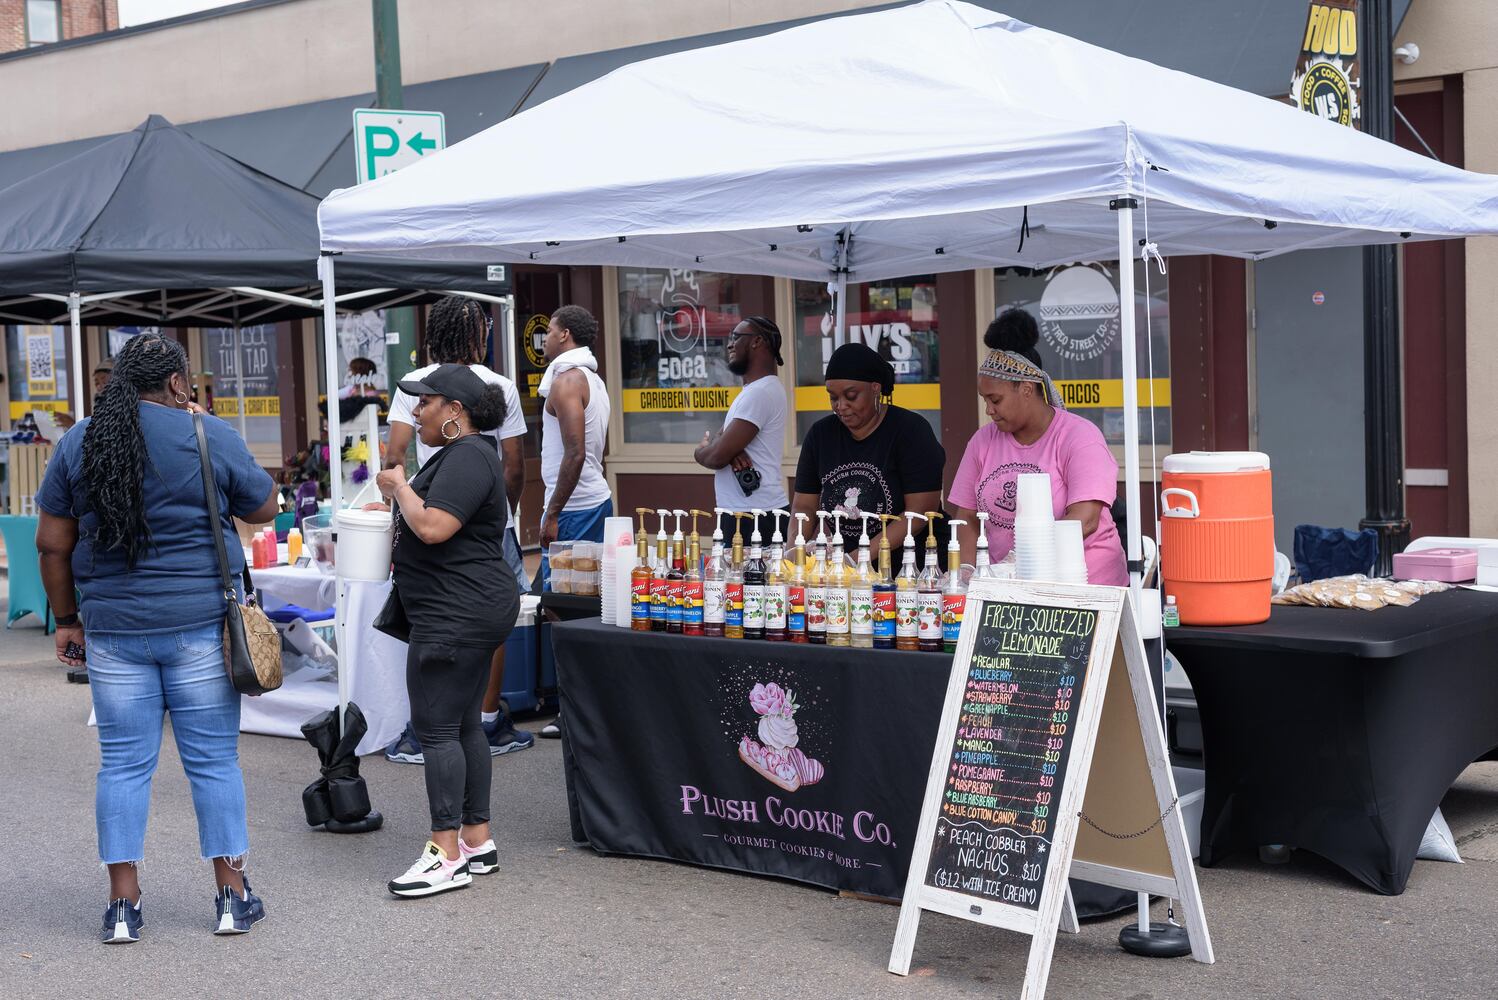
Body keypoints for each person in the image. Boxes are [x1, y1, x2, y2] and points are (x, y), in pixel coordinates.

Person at [33, 332, 279, 943]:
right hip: (199, 626)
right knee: (214, 763)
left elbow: (52, 543)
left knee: (121, 766)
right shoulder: (205, 433)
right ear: (176, 382)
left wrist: (66, 620)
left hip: (114, 631)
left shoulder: (79, 441)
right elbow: (265, 508)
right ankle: (231, 896)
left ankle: (123, 907)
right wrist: (208, 425)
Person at [375, 364, 519, 897]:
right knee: (461, 725)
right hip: (466, 606)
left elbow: (434, 527)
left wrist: (398, 486)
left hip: (455, 611)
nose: (415, 412)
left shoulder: (468, 456)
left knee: (436, 728)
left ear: (455, 411)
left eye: (425, 402)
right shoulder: (468, 456)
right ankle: (477, 841)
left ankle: (444, 854)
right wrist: (401, 493)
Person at [383, 298, 533, 764]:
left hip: (431, 508)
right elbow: (513, 465)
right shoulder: (499, 384)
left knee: (430, 613)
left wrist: (399, 493)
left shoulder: (420, 386)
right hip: (488, 518)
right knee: (495, 622)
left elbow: (395, 453)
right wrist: (502, 514)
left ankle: (428, 725)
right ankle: (488, 716)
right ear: (478, 336)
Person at [949, 309, 1127, 586]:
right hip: (1007, 589)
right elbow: (968, 518)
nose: (989, 410)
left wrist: (1023, 560)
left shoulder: (1079, 437)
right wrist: (968, 573)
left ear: (1027, 390)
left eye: (995, 400)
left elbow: (1085, 519)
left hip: (1084, 585)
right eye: (984, 399)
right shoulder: (983, 441)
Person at [537, 304, 611, 739]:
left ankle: (577, 711)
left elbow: (578, 452)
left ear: (564, 336)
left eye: (548, 330)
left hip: (577, 508)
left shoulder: (567, 380)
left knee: (564, 609)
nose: (543, 339)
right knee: (584, 608)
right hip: (590, 501)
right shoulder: (593, 379)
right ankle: (587, 706)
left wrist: (552, 513)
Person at [792, 342, 945, 551]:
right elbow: (804, 506)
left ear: (875, 388)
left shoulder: (911, 430)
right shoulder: (820, 435)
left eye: (851, 396)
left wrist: (856, 560)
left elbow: (919, 514)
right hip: (848, 567)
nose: (841, 406)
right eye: (833, 397)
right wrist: (793, 551)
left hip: (912, 565)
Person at [694, 316, 788, 540]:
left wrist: (700, 451)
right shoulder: (757, 390)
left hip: (754, 515)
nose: (729, 344)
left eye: (736, 338)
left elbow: (716, 456)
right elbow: (722, 442)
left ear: (757, 341)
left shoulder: (759, 393)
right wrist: (728, 446)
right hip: (749, 512)